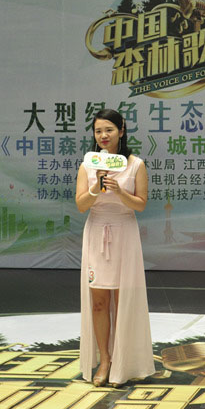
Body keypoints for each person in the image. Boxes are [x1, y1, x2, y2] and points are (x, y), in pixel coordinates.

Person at [75, 108, 155, 387]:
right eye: (98, 131)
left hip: (124, 233)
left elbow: (141, 204)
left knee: (123, 301)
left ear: (121, 130)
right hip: (97, 231)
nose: (103, 136)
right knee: (99, 301)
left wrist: (120, 191)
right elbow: (81, 205)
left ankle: (122, 362)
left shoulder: (136, 165)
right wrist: (96, 187)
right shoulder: (88, 165)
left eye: (109, 129)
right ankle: (105, 359)